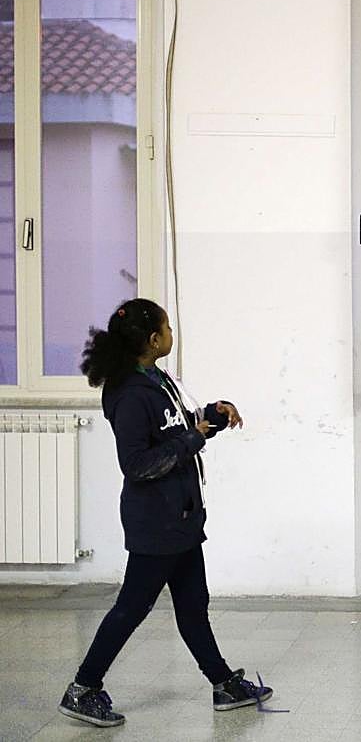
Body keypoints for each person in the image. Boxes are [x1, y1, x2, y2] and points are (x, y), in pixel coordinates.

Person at [59, 299, 270, 728]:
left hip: (182, 518)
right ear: (154, 339)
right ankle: (83, 688)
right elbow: (138, 465)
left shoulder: (155, 378)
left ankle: (223, 683)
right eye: (167, 327)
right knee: (132, 608)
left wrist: (212, 416)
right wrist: (194, 439)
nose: (172, 333)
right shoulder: (130, 393)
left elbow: (177, 427)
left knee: (193, 606)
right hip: (155, 522)